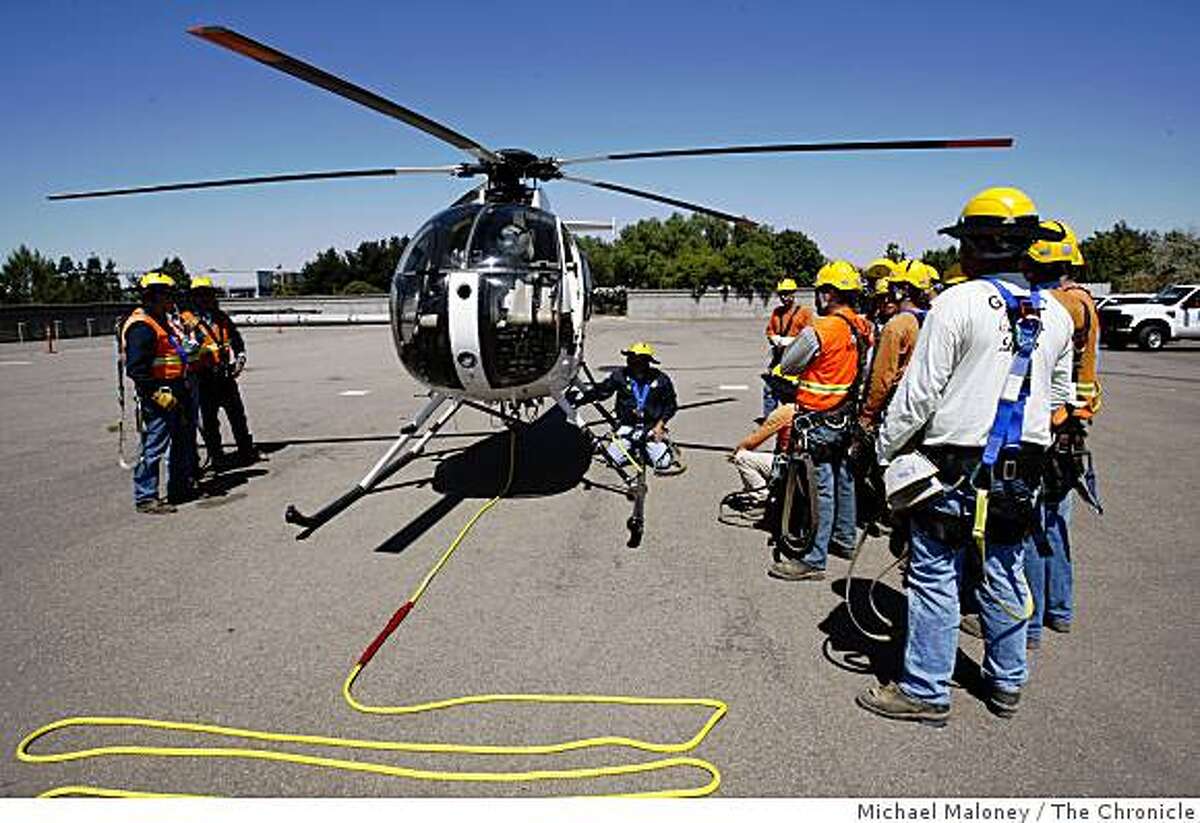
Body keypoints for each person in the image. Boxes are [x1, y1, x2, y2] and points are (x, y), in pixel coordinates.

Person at [856, 187, 1074, 724]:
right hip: (1020, 474)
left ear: (976, 244)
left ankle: (927, 691)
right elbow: (1061, 399)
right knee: (1005, 571)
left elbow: (918, 394)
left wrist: (882, 451)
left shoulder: (956, 302)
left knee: (934, 576)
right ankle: (1007, 683)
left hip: (953, 470)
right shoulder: (1056, 314)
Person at [1023, 219, 1101, 648]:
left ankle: (1031, 623)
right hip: (1072, 429)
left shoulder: (1057, 306)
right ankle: (1060, 610)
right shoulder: (1083, 301)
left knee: (1033, 527)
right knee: (1056, 524)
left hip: (1050, 428)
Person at [769, 260, 873, 580]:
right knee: (844, 477)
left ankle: (814, 559)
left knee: (821, 487)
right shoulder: (861, 326)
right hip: (845, 417)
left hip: (818, 419)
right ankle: (843, 539)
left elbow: (788, 364)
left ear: (827, 294)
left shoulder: (821, 328)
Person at [122, 272, 194, 513]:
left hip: (178, 388)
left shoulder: (163, 320)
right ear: (151, 296)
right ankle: (145, 496)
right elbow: (136, 369)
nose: (171, 299)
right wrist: (156, 394)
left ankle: (180, 488)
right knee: (154, 445)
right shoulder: (142, 326)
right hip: (158, 392)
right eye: (166, 295)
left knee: (182, 442)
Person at [186, 276, 258, 469]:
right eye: (200, 295)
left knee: (237, 416)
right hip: (202, 378)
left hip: (224, 376)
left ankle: (245, 450)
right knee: (209, 421)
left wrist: (240, 359)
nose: (205, 299)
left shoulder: (221, 318)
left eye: (208, 294)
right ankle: (217, 456)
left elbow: (236, 341)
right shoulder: (186, 321)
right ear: (193, 297)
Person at [573, 342, 678, 472]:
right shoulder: (620, 375)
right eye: (630, 358)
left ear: (646, 361)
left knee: (663, 463)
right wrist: (580, 399)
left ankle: (647, 448)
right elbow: (602, 392)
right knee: (612, 460)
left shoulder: (660, 379)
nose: (631, 362)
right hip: (626, 426)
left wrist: (660, 425)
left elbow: (671, 405)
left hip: (651, 427)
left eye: (636, 359)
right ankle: (632, 447)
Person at [728, 400, 795, 510]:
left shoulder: (787, 411)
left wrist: (736, 452)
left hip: (791, 467)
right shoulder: (827, 408)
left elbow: (753, 441)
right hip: (821, 467)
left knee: (742, 458)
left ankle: (760, 496)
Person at [762, 277, 814, 418]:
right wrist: (774, 338)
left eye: (787, 294)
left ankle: (790, 419)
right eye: (781, 294)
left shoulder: (804, 312)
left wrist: (791, 341)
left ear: (793, 293)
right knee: (769, 388)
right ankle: (769, 420)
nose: (784, 297)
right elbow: (770, 330)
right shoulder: (777, 312)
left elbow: (810, 336)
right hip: (779, 357)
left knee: (789, 390)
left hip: (796, 359)